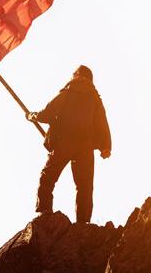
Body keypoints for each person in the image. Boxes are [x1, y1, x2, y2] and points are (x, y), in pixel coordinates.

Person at [26, 65, 111, 223]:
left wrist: (33, 116)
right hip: (85, 147)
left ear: (77, 75)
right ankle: (83, 222)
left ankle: (44, 211)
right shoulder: (95, 98)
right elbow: (102, 124)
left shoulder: (68, 92)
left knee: (48, 176)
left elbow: (48, 113)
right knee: (84, 186)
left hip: (64, 142)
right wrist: (105, 147)